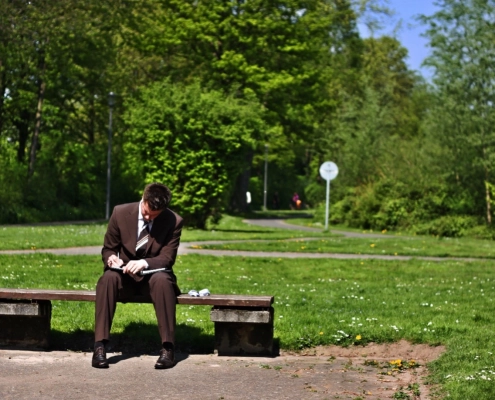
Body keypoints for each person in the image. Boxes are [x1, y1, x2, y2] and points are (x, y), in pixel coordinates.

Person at [92, 182, 183, 369]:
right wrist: (111, 259)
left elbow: (167, 258)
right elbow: (109, 248)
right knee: (107, 279)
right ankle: (99, 346)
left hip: (153, 278)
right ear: (143, 199)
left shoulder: (174, 221)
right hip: (124, 276)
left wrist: (145, 263)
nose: (148, 217)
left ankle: (168, 348)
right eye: (146, 212)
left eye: (154, 216)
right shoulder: (119, 213)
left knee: (163, 281)